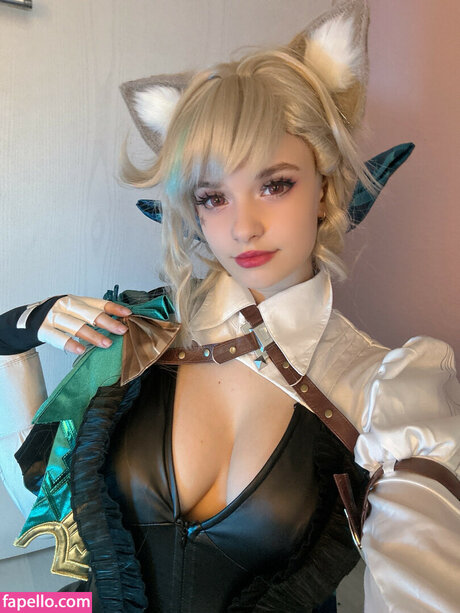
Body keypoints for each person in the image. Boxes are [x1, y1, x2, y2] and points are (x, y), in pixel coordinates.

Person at [0, 1, 459, 611]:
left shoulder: (384, 387)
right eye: (213, 197)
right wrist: (21, 331)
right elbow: (39, 496)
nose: (243, 227)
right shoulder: (141, 337)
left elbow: (423, 574)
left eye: (275, 184)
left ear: (324, 186)